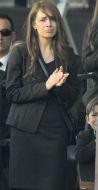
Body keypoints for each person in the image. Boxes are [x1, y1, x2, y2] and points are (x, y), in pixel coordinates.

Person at [5, 1, 80, 190]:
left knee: (52, 184)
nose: (49, 23)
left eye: (53, 19)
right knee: (23, 184)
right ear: (34, 24)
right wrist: (45, 85)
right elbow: (12, 93)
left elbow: (73, 95)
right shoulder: (20, 51)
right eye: (43, 19)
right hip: (25, 131)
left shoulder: (68, 55)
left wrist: (59, 86)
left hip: (55, 130)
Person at [74, 96, 98, 190]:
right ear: (87, 119)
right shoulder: (84, 135)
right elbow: (80, 155)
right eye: (94, 115)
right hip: (90, 185)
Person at [0, 13, 15, 190]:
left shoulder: (24, 67)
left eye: (5, 32)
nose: (0, 37)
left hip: (15, 147)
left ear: (13, 36)